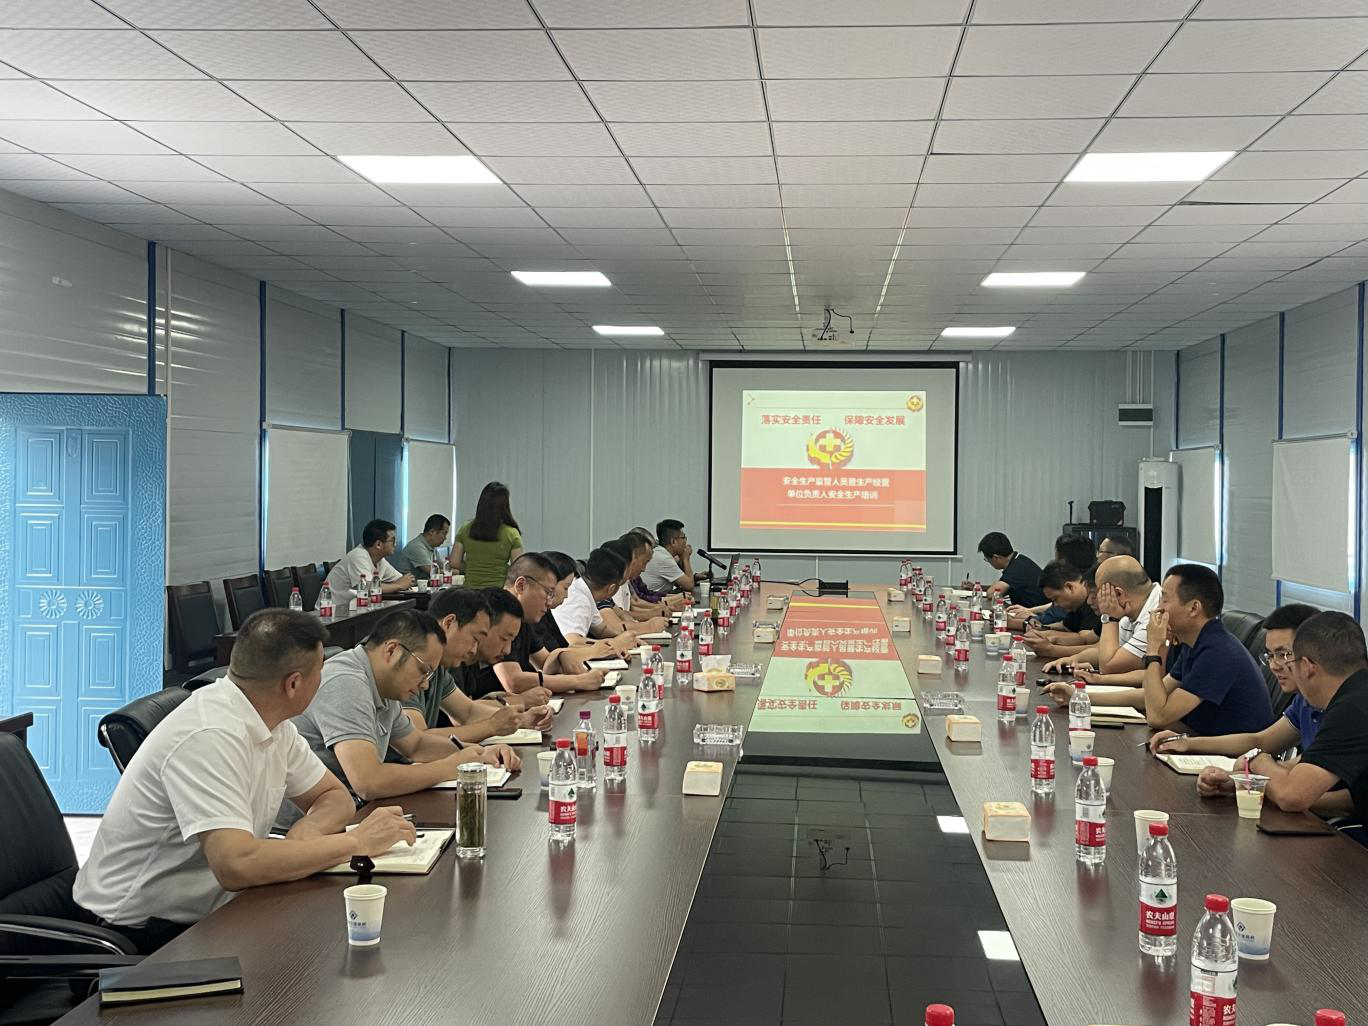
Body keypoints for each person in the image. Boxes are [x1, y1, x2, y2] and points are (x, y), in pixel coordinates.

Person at [72, 610, 416, 953]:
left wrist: (305, 836)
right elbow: (236, 865)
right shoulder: (209, 735)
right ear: (293, 684)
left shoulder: (271, 721)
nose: (323, 679)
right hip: (139, 935)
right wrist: (355, 842)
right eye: (320, 670)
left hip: (218, 908)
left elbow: (333, 796)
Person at [290, 609, 519, 802]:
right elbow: (369, 781)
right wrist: (450, 767)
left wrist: (479, 753)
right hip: (308, 827)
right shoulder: (345, 682)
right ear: (391, 650)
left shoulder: (384, 685)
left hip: (351, 811)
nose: (425, 685)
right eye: (423, 671)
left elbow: (416, 745)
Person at [1204, 611, 1368, 824]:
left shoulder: (1351, 710)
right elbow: (1304, 766)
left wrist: (1257, 759)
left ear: (1307, 667)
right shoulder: (1354, 695)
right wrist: (1244, 783)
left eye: (1288, 659)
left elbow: (1292, 796)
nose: (1275, 666)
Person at [1152, 604, 1330, 762]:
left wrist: (1257, 767)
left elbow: (1300, 779)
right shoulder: (1304, 701)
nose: (1274, 666)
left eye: (1283, 654)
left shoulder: (1337, 710)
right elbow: (1261, 741)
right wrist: (1187, 743)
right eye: (1270, 655)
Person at [401, 587, 553, 745]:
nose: (474, 650)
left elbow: (468, 712)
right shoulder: (410, 661)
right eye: (475, 638)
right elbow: (418, 740)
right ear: (449, 623)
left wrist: (521, 720)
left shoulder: (439, 668)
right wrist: (491, 727)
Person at [482, 554, 609, 696]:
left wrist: (561, 655)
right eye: (548, 592)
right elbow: (514, 682)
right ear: (521, 585)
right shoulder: (498, 613)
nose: (549, 602)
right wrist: (579, 681)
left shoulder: (524, 618)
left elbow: (546, 662)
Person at [1042, 556, 1159, 683]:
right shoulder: (1132, 609)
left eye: (1096, 594)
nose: (1089, 601)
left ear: (1118, 593)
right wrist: (1073, 660)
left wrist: (1109, 617)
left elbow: (1109, 667)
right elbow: (1104, 651)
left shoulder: (1153, 617)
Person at [1022, 560, 1102, 660]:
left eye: (1094, 596)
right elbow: (1085, 639)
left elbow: (1101, 651)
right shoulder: (1077, 606)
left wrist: (1051, 650)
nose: (1089, 601)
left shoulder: (1097, 610)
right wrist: (1049, 636)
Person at [555, 546, 633, 645]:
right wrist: (615, 643)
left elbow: (602, 630)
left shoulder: (586, 592)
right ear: (611, 588)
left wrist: (625, 637)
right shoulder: (578, 599)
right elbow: (574, 641)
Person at [451, 481, 524, 588]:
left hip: (470, 591)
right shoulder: (511, 533)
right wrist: (500, 570)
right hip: (498, 591)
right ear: (504, 506)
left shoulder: (465, 529)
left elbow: (454, 562)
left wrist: (473, 567)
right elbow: (518, 568)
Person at [324, 518, 414, 601]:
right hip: (332, 609)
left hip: (358, 608)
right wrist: (398, 585)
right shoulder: (358, 555)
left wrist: (402, 583)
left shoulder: (380, 560)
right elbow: (367, 588)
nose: (395, 544)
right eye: (393, 541)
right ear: (378, 544)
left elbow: (403, 580)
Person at [601, 535, 669, 634]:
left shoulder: (615, 586)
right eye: (644, 562)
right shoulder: (606, 587)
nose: (644, 569)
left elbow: (623, 615)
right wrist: (649, 625)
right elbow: (615, 626)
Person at [977, 532, 1046, 608]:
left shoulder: (1017, 568)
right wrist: (977, 587)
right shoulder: (1018, 560)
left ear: (996, 557)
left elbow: (991, 594)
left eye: (987, 559)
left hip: (1037, 613)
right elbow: (1002, 587)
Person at [640, 519, 704, 596]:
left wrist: (695, 577)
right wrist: (685, 559)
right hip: (648, 600)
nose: (686, 541)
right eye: (683, 537)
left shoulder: (663, 554)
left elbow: (679, 582)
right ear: (673, 541)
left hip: (655, 598)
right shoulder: (663, 558)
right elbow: (689, 586)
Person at [391, 514, 450, 578]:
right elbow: (432, 571)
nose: (445, 538)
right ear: (432, 531)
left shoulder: (431, 547)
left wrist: (450, 570)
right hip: (409, 584)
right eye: (444, 533)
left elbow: (443, 566)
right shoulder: (416, 546)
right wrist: (455, 571)